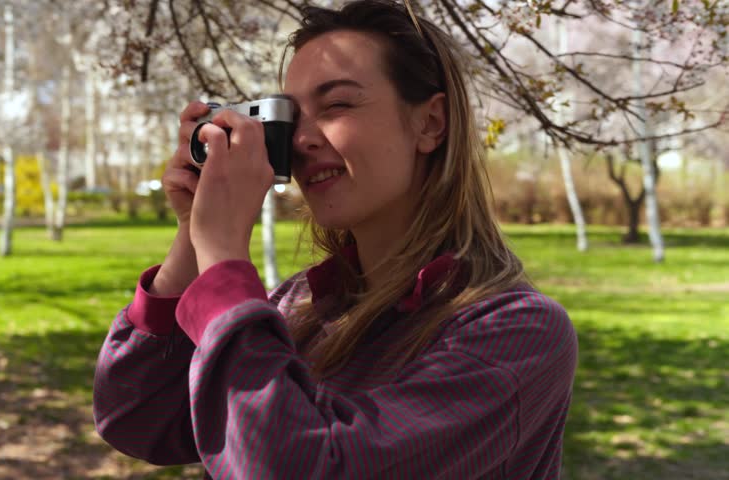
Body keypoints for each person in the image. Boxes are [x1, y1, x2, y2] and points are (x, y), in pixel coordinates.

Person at [93, 1, 578, 478]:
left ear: (430, 123)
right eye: (291, 117)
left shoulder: (515, 333)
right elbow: (137, 419)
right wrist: (192, 239)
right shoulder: (298, 304)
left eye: (338, 104)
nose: (301, 140)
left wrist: (223, 261)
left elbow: (301, 465)